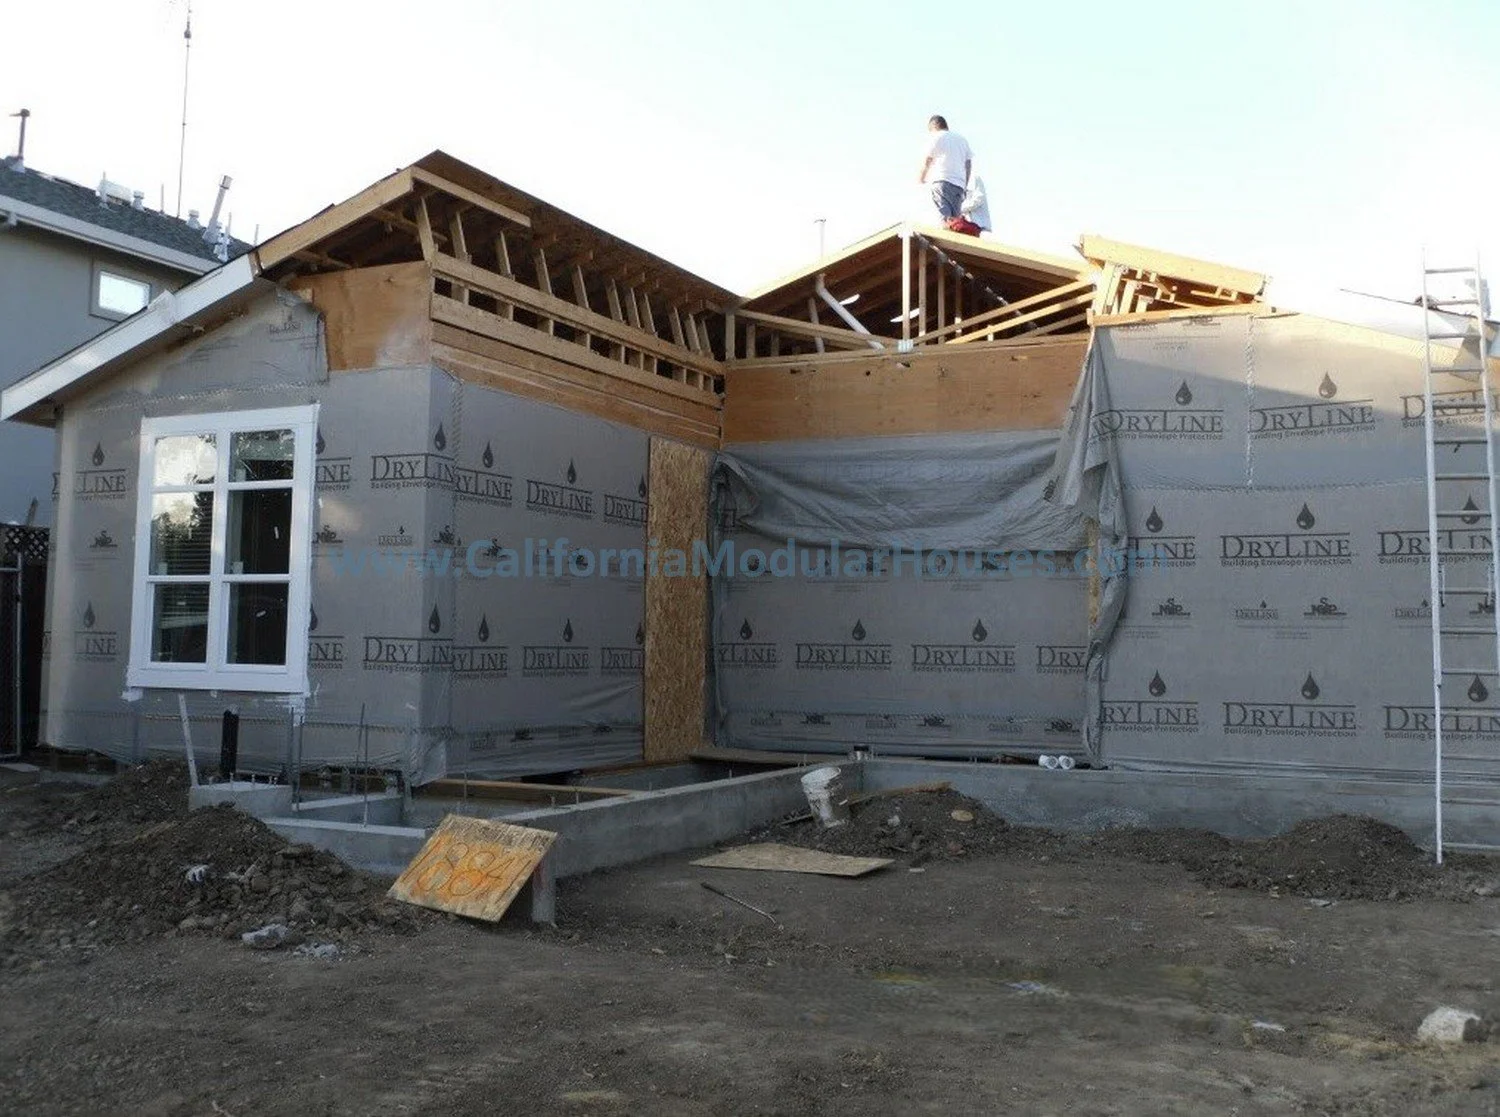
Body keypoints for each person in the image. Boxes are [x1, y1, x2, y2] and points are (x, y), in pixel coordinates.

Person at [916, 115, 973, 222]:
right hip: (958, 186)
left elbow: (927, 160)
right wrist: (964, 184)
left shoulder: (937, 137)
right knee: (955, 222)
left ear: (934, 126)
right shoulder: (962, 140)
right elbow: (968, 165)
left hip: (941, 182)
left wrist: (921, 178)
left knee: (943, 220)